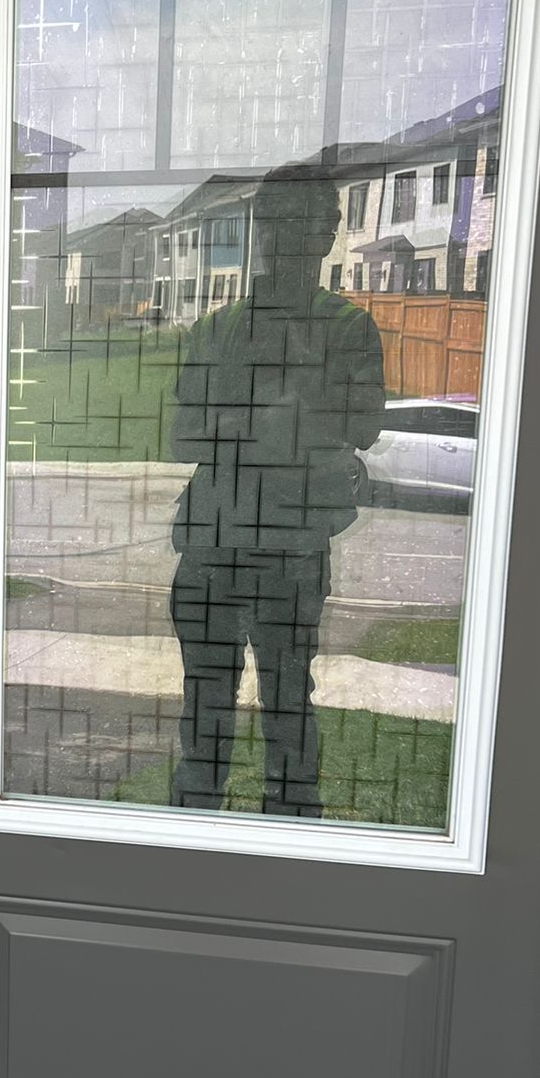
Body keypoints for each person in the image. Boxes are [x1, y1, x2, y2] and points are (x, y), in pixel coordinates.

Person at [168, 167, 385, 817]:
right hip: (232, 550)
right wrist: (288, 424)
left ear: (324, 236)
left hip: (263, 548)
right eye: (291, 222)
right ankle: (213, 851)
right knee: (233, 713)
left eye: (311, 223)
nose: (299, 237)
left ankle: (266, 853)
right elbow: (185, 436)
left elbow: (361, 428)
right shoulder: (234, 328)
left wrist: (244, 425)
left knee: (276, 711)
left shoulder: (340, 328)